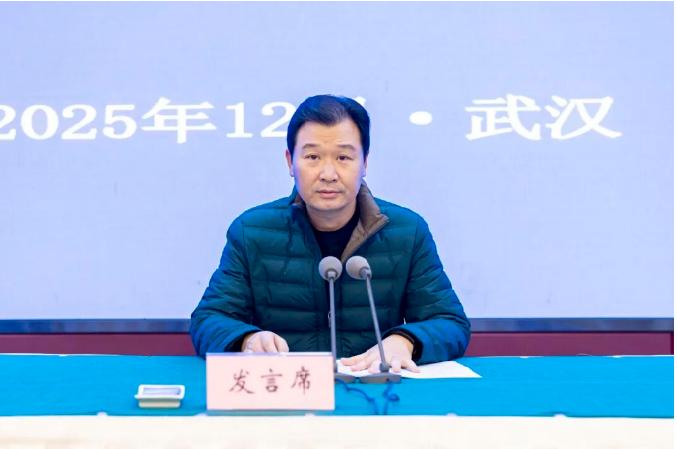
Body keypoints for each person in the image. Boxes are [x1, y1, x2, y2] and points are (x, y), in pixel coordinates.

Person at [190, 94, 470, 373]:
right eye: (312, 157)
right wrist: (248, 340)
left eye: (343, 157)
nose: (328, 173)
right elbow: (209, 319)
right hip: (289, 388)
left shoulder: (406, 231)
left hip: (374, 387)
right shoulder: (251, 231)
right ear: (290, 162)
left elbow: (450, 322)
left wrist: (405, 341)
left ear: (365, 163)